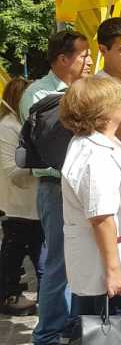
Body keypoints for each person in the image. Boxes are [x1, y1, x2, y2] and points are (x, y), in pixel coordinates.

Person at [58, 76, 121, 316]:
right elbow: (101, 216)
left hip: (111, 262)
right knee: (115, 330)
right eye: (118, 99)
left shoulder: (101, 142)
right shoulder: (95, 155)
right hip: (108, 270)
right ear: (103, 111)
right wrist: (114, 271)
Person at [22, 30, 92, 345]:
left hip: (85, 188)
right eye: (83, 54)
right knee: (59, 262)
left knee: (84, 258)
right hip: (56, 187)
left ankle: (73, 323)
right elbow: (50, 143)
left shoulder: (90, 89)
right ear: (63, 59)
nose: (90, 60)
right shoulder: (39, 94)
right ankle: (47, 333)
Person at [0, 78, 40, 316]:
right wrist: (41, 164)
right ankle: (8, 295)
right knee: (16, 255)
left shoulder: (21, 125)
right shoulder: (8, 127)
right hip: (18, 206)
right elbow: (12, 171)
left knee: (21, 254)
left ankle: (10, 293)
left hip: (28, 206)